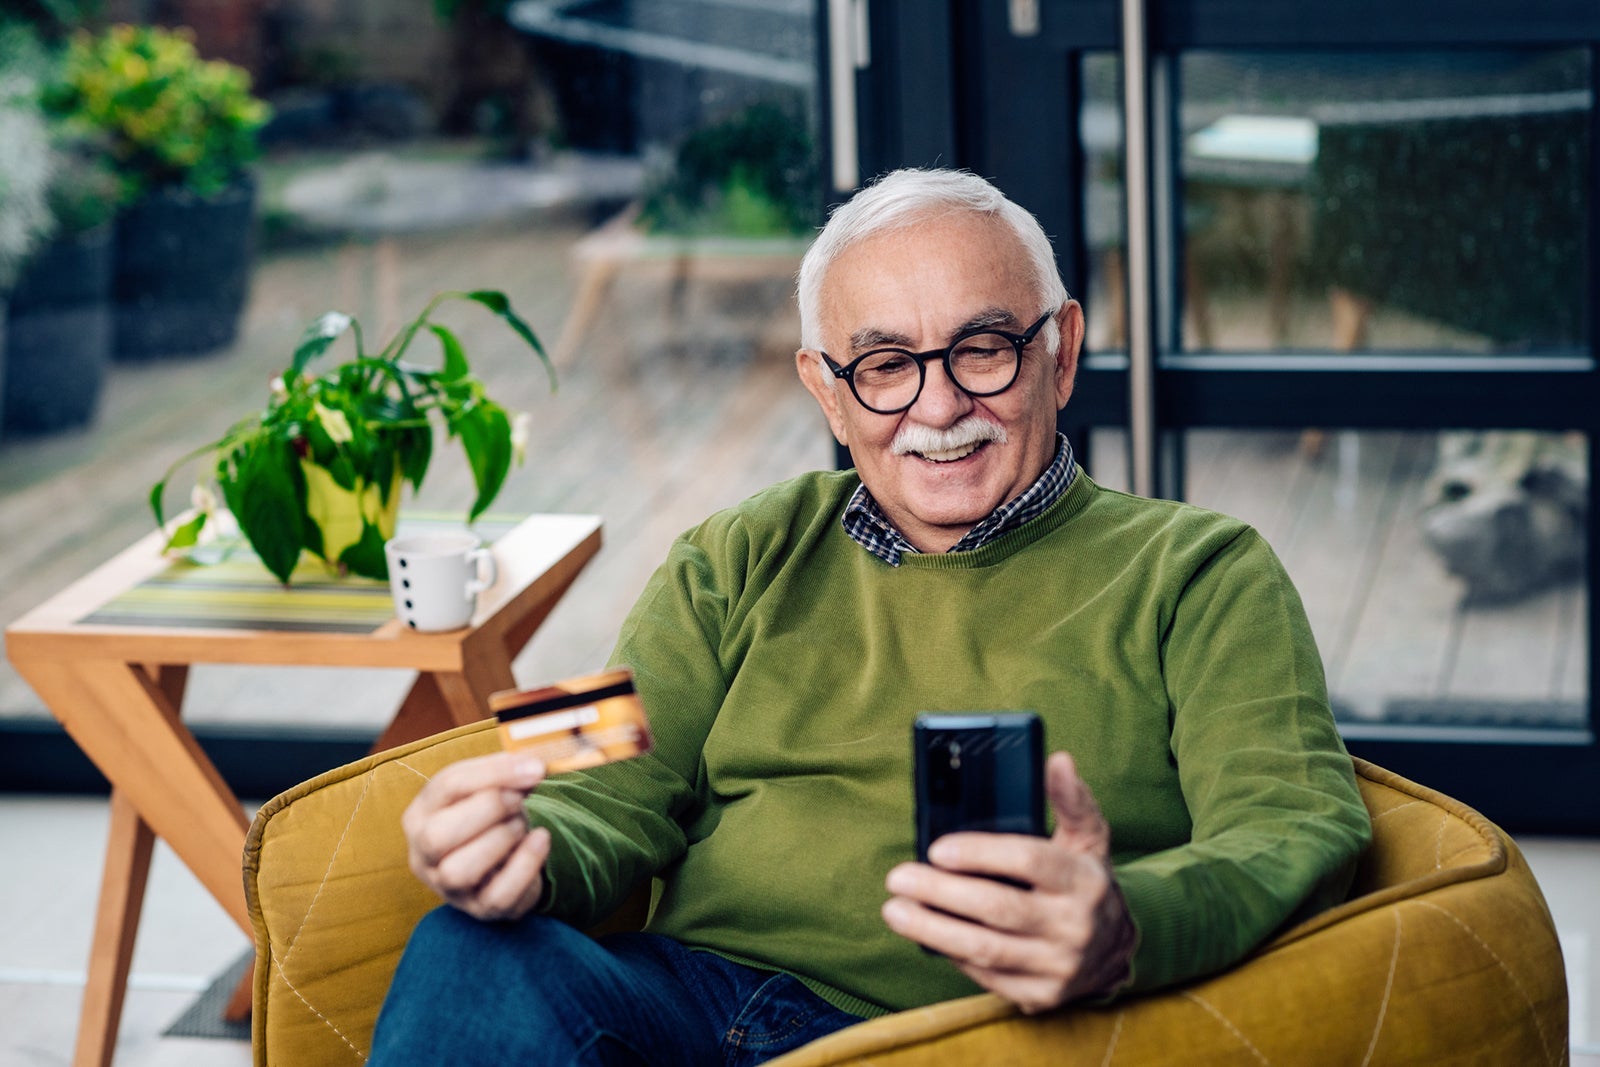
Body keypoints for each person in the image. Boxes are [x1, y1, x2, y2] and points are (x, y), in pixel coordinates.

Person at [369, 168, 1372, 1065]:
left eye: (982, 349)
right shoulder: (729, 554)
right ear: (827, 392)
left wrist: (1124, 922)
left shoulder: (1201, 570)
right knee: (465, 947)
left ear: (1060, 352)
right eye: (884, 365)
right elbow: (595, 770)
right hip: (687, 1004)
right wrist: (516, 842)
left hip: (977, 1038)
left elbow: (1296, 826)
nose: (937, 408)